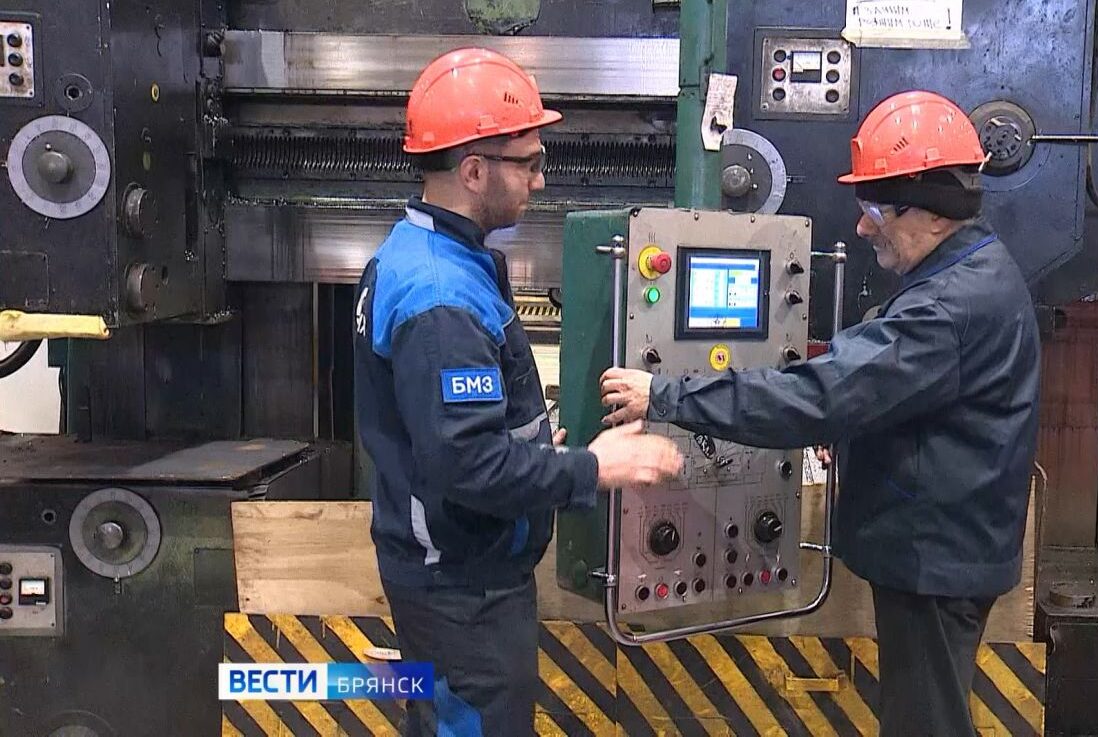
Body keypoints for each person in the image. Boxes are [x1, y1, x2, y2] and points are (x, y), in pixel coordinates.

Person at [599, 90, 1041, 737]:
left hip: (937, 560)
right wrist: (859, 423)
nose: (862, 228)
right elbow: (887, 394)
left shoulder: (947, 306)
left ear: (925, 210)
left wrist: (665, 395)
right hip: (949, 548)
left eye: (873, 209)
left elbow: (818, 395)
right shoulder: (975, 270)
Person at [353, 48, 682, 737]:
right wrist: (593, 467)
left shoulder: (438, 253)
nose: (540, 177)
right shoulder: (440, 298)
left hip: (465, 577)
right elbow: (465, 464)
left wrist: (530, 448)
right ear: (474, 170)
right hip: (460, 591)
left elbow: (451, 435)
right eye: (528, 162)